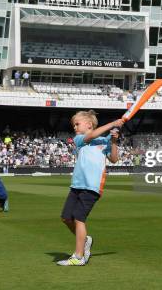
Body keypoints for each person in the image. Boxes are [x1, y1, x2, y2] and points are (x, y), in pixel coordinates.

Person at [56, 110, 123, 266]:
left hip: (92, 186)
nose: (74, 127)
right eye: (74, 124)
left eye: (77, 124)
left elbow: (113, 159)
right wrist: (113, 124)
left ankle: (78, 256)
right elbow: (90, 137)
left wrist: (113, 141)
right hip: (76, 184)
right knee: (66, 218)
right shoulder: (80, 139)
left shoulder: (103, 140)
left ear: (89, 124)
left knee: (79, 218)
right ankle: (85, 240)